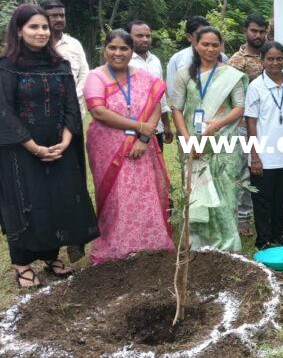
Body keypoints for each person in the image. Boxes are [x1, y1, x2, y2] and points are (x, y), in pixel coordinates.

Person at [0, 4, 99, 288]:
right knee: (26, 203)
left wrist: (66, 140)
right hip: (19, 150)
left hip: (60, 147)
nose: (41, 32)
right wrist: (33, 146)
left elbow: (71, 103)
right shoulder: (6, 67)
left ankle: (51, 255)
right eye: (34, 27)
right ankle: (22, 263)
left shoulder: (60, 65)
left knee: (59, 200)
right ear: (19, 30)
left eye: (44, 27)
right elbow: (3, 110)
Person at [85, 30, 175, 264]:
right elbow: (98, 111)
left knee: (144, 193)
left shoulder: (144, 77)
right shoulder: (96, 76)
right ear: (104, 49)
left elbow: (155, 104)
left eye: (124, 48)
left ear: (131, 51)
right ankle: (116, 247)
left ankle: (151, 243)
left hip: (141, 147)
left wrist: (143, 138)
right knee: (116, 195)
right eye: (112, 48)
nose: (118, 53)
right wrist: (139, 126)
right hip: (107, 147)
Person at [171, 27, 247, 251]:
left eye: (215, 45)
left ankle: (228, 244)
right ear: (196, 45)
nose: (210, 49)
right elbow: (176, 108)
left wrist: (213, 127)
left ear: (221, 47)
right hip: (192, 142)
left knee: (225, 190)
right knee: (196, 190)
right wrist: (188, 140)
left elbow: (239, 107)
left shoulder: (230, 75)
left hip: (222, 142)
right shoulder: (184, 74)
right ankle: (198, 243)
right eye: (205, 44)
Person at [245, 42, 283, 249]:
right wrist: (254, 156)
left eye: (279, 58)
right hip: (264, 156)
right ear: (262, 61)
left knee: (281, 198)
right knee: (262, 200)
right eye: (270, 59)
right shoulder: (256, 87)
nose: (275, 63)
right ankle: (263, 240)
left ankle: (278, 235)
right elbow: (250, 121)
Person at [229, 13, 270, 237]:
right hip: (244, 125)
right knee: (246, 171)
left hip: (270, 125)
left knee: (269, 170)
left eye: (262, 31)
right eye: (254, 31)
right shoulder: (237, 61)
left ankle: (266, 214)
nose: (258, 35)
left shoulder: (271, 55)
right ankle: (243, 218)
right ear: (246, 31)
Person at [127, 20, 174, 150]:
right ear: (128, 36)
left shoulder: (155, 61)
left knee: (155, 168)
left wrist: (166, 125)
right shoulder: (124, 61)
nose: (145, 39)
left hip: (155, 128)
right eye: (139, 36)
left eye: (148, 36)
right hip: (132, 128)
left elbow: (161, 97)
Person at [39, 0, 90, 116]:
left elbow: (84, 75)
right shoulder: (36, 44)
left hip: (74, 111)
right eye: (54, 16)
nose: (59, 19)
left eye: (62, 15)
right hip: (44, 111)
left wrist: (71, 97)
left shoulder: (74, 44)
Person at [166, 16, 228, 104]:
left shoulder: (222, 58)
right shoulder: (177, 59)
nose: (204, 37)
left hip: (216, 110)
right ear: (189, 37)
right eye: (199, 35)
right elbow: (173, 91)